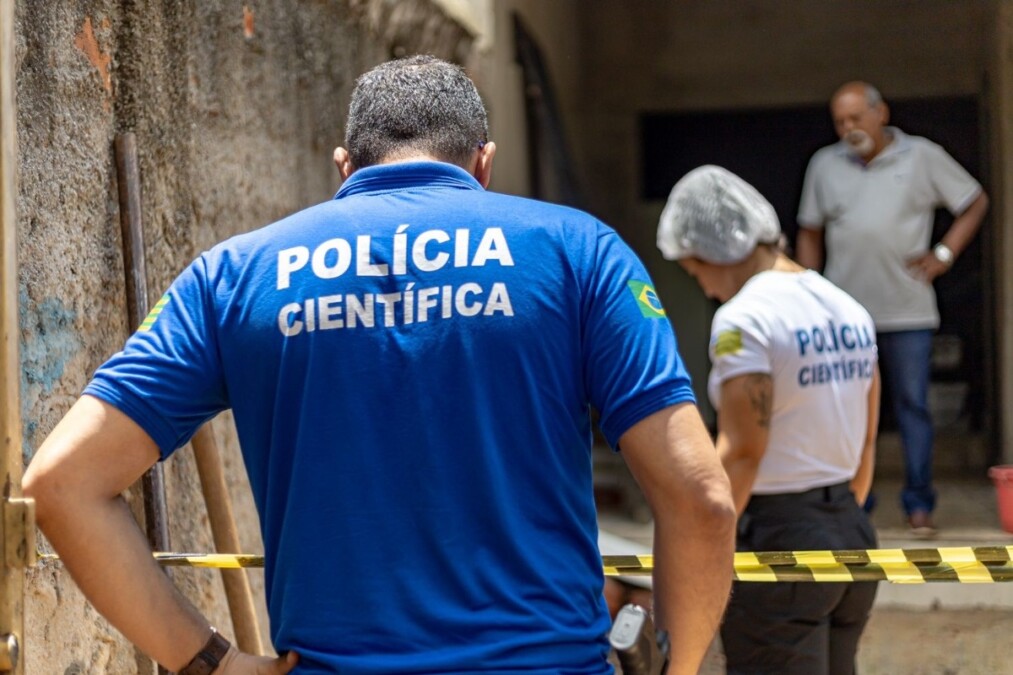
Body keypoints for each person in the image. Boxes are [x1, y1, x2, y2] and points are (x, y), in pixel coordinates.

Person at [23, 56, 736, 674]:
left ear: (344, 167)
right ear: (483, 163)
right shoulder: (580, 253)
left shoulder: (235, 277)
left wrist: (212, 661)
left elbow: (63, 483)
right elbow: (701, 499)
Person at [657, 165, 881, 675]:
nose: (706, 288)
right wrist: (839, 518)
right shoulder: (847, 308)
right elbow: (867, 440)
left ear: (714, 252)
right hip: (851, 530)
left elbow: (742, 452)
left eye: (695, 271)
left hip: (780, 535)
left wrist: (703, 549)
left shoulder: (745, 319)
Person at [796, 81, 989, 536]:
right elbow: (809, 231)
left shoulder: (922, 156)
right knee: (846, 412)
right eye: (840, 122)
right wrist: (807, 290)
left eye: (856, 118)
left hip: (908, 312)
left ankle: (919, 505)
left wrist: (943, 255)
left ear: (880, 113)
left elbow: (974, 201)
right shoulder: (824, 164)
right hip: (844, 318)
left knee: (912, 407)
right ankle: (855, 505)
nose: (848, 128)